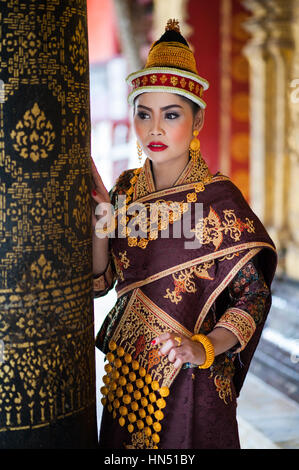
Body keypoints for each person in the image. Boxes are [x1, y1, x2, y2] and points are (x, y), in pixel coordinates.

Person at [90, 19, 277, 449]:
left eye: (170, 114)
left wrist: (205, 347)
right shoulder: (123, 191)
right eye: (144, 113)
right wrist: (102, 219)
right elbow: (101, 282)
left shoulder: (216, 201)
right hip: (129, 376)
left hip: (195, 382)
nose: (154, 128)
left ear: (197, 121)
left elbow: (255, 295)